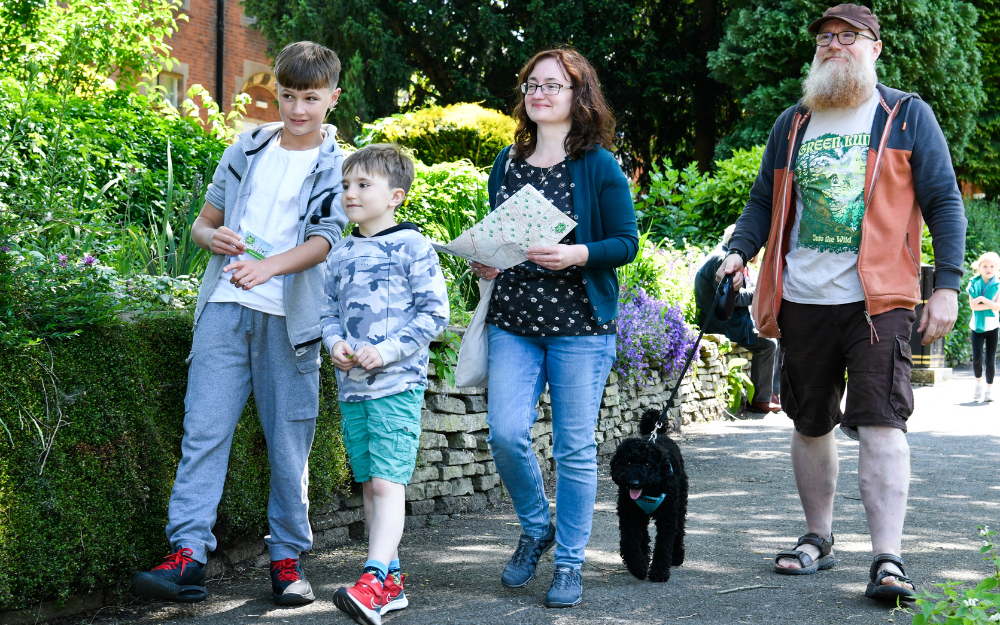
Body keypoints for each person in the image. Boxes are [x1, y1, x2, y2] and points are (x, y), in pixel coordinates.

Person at [717, 3, 966, 603]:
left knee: (882, 419)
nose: (834, 46)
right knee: (809, 421)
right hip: (802, 297)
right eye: (825, 38)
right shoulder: (795, 122)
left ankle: (888, 558)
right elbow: (761, 204)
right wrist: (737, 252)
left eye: (848, 37)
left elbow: (944, 201)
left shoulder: (905, 115)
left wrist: (948, 286)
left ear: (874, 48)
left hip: (879, 301)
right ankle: (817, 538)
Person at [130, 41, 348, 605]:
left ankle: (286, 560)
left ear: (333, 99)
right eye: (288, 95)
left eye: (311, 98)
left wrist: (266, 268)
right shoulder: (247, 148)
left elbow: (328, 240)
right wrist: (214, 239)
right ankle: (188, 557)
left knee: (288, 443)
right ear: (276, 90)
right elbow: (203, 225)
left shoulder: (339, 166)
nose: (297, 109)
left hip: (290, 321)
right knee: (203, 434)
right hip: (224, 309)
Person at [470, 48, 638, 609]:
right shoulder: (507, 160)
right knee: (506, 434)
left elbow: (625, 243)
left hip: (580, 328)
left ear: (577, 96)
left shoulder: (599, 165)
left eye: (553, 85)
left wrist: (577, 255)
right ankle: (535, 526)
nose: (539, 94)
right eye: (532, 86)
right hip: (513, 321)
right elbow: (502, 237)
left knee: (573, 450)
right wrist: (487, 260)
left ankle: (569, 563)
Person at [322, 144, 449, 625]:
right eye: (347, 185)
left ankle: (374, 577)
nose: (350, 193)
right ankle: (390, 584)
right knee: (371, 486)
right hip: (352, 386)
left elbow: (436, 313)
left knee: (387, 481)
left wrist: (389, 349)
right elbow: (327, 310)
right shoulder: (341, 250)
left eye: (363, 185)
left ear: (395, 196)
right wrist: (333, 342)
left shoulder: (413, 246)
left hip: (396, 385)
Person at [695, 225, 780, 412]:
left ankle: (772, 394)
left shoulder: (720, 255)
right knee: (770, 344)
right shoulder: (723, 260)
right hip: (723, 324)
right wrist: (761, 291)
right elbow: (735, 298)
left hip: (725, 320)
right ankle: (761, 399)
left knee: (775, 333)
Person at [967, 252, 1000, 402]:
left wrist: (981, 299)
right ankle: (978, 383)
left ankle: (989, 389)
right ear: (979, 268)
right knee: (978, 358)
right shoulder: (973, 283)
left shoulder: (999, 285)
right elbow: (973, 307)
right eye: (985, 266)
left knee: (990, 360)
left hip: (993, 327)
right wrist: (987, 304)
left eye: (992, 266)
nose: (989, 269)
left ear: (996, 268)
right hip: (976, 327)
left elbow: (998, 307)